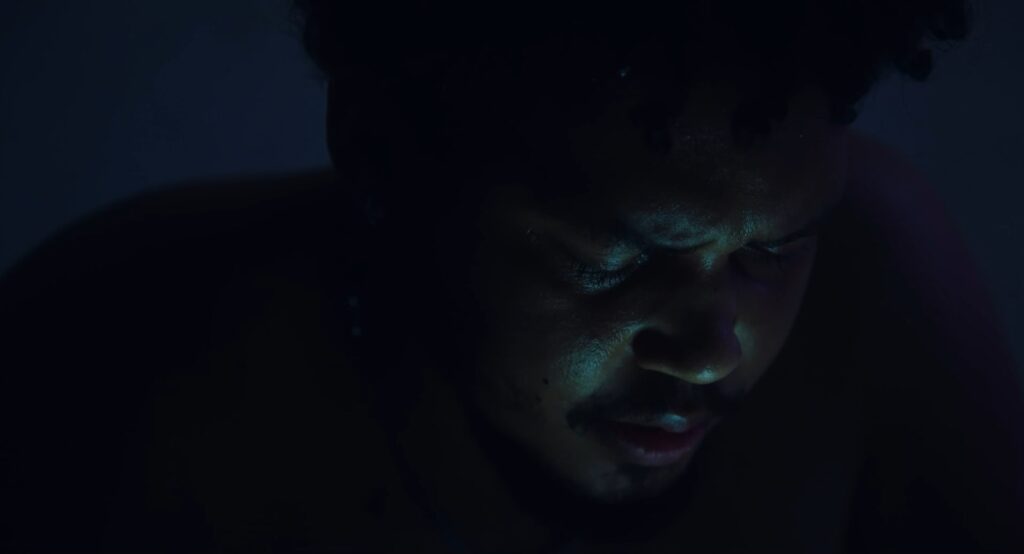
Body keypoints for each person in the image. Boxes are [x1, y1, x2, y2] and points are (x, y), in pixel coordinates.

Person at [2, 1, 1023, 552]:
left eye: (774, 250)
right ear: (381, 157)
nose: (715, 348)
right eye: (613, 260)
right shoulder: (104, 383)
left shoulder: (882, 278)